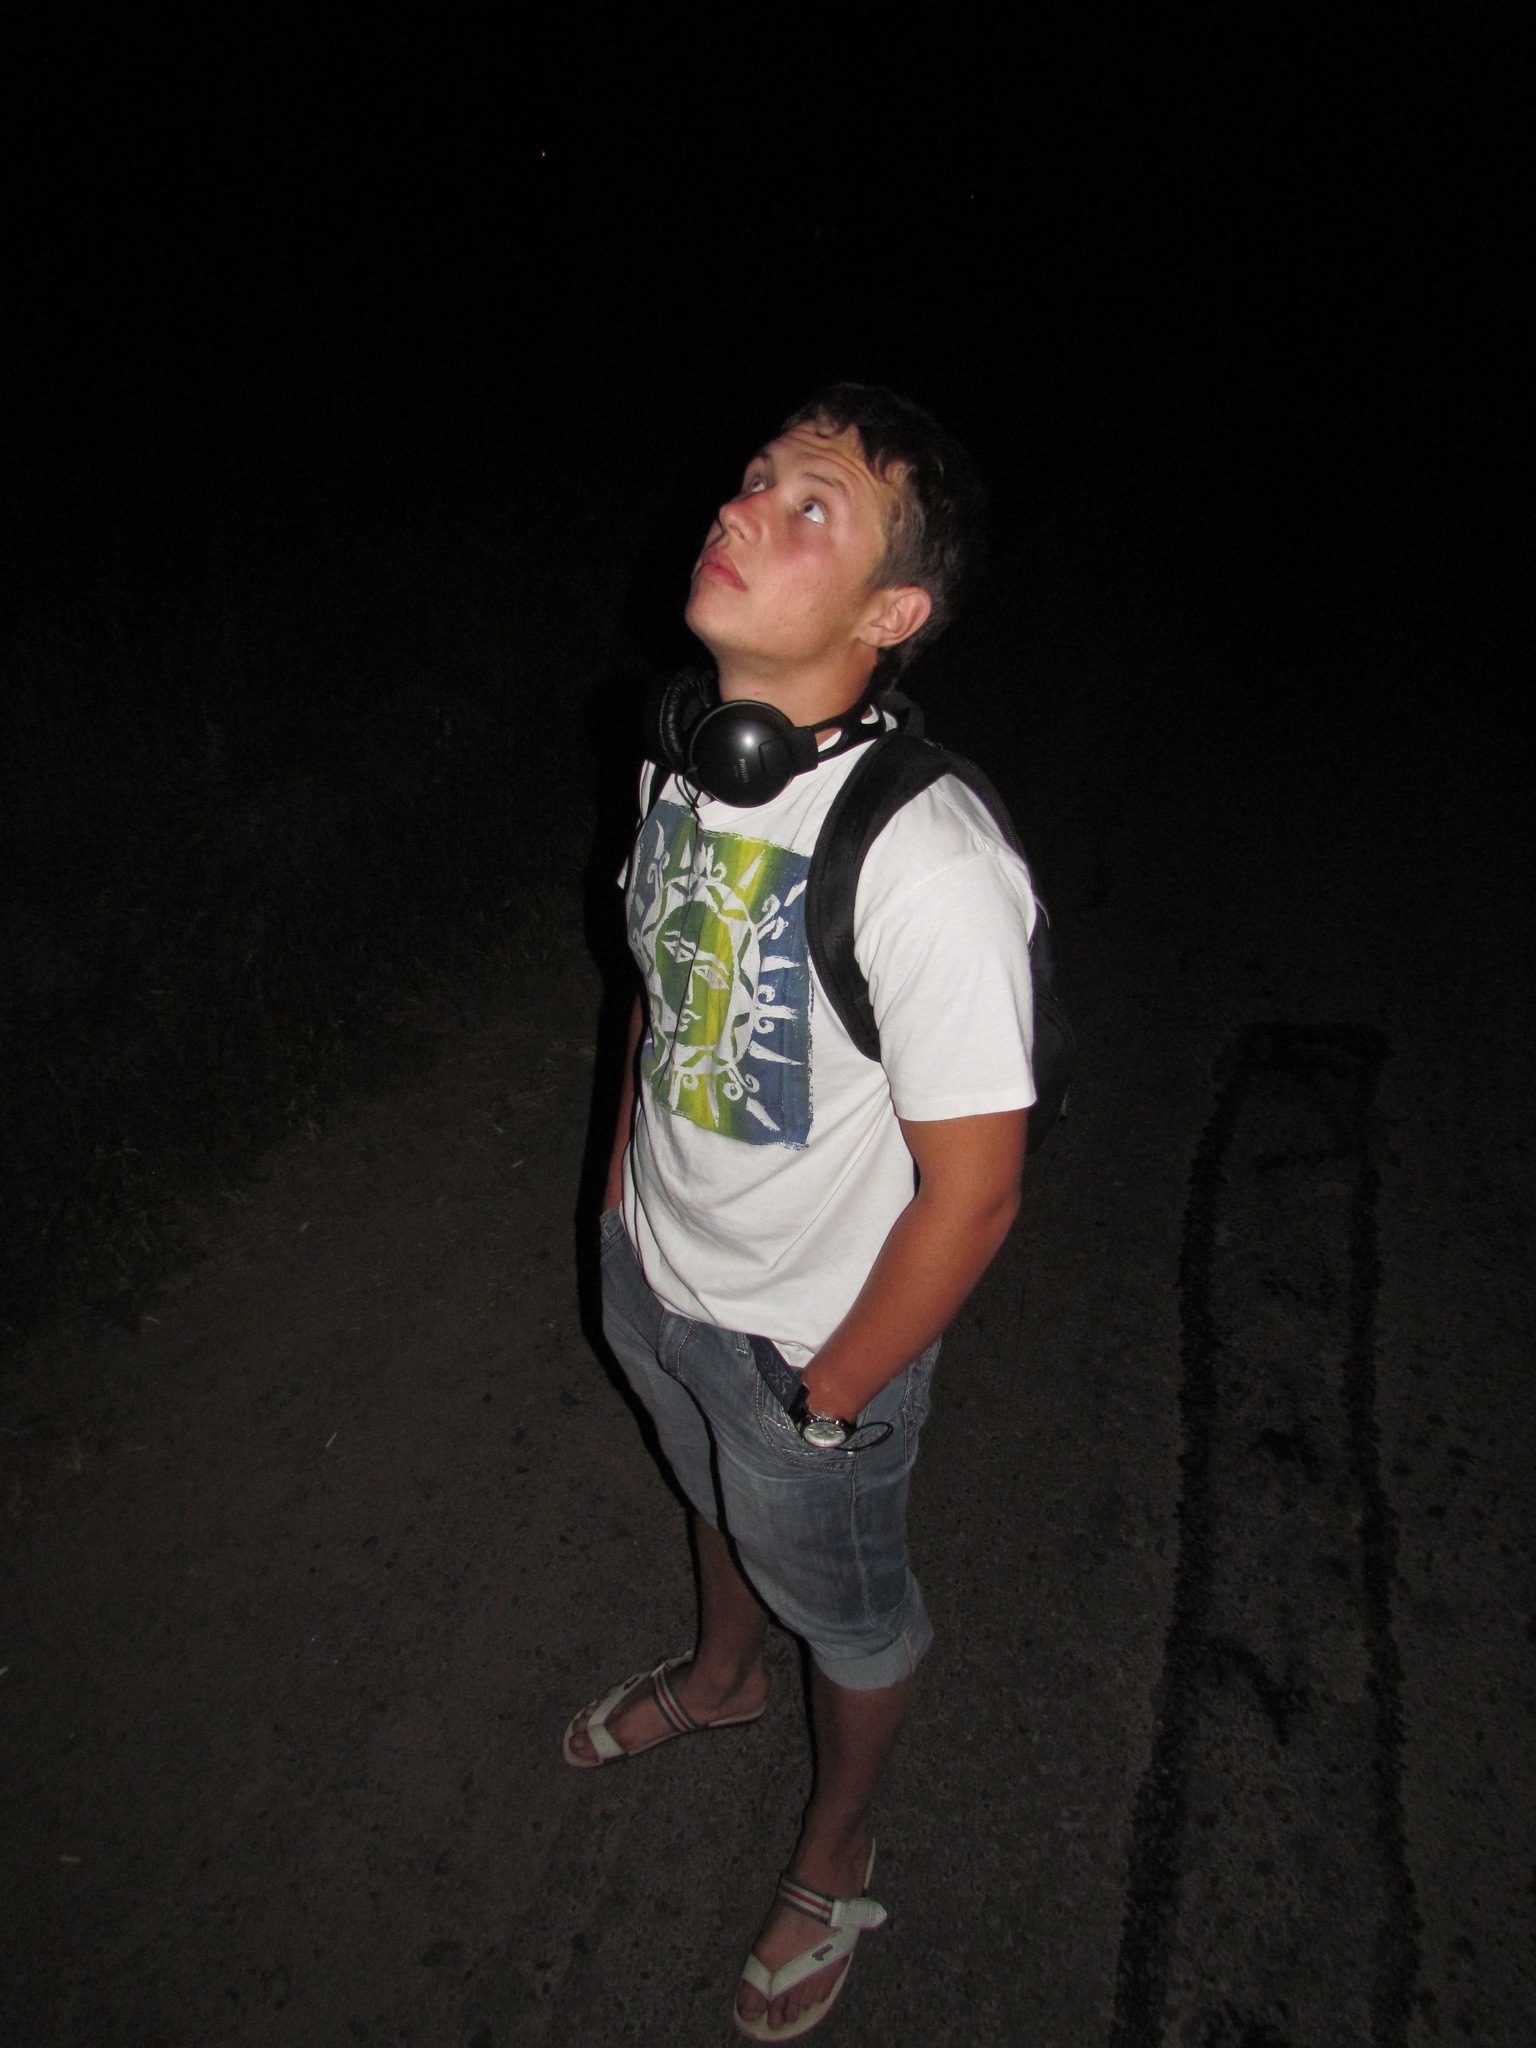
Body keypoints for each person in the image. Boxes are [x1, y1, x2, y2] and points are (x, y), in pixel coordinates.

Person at [564, 384, 1038, 2039]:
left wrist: (827, 1399)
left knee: (855, 1610)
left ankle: (836, 1850)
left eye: (808, 505)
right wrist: (620, 1202)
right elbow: (654, 989)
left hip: (812, 1347)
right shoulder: (682, 756)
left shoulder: (931, 865)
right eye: (756, 476)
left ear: (889, 615)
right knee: (702, 1482)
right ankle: (720, 1677)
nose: (743, 506)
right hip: (658, 1272)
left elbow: (975, 1197)